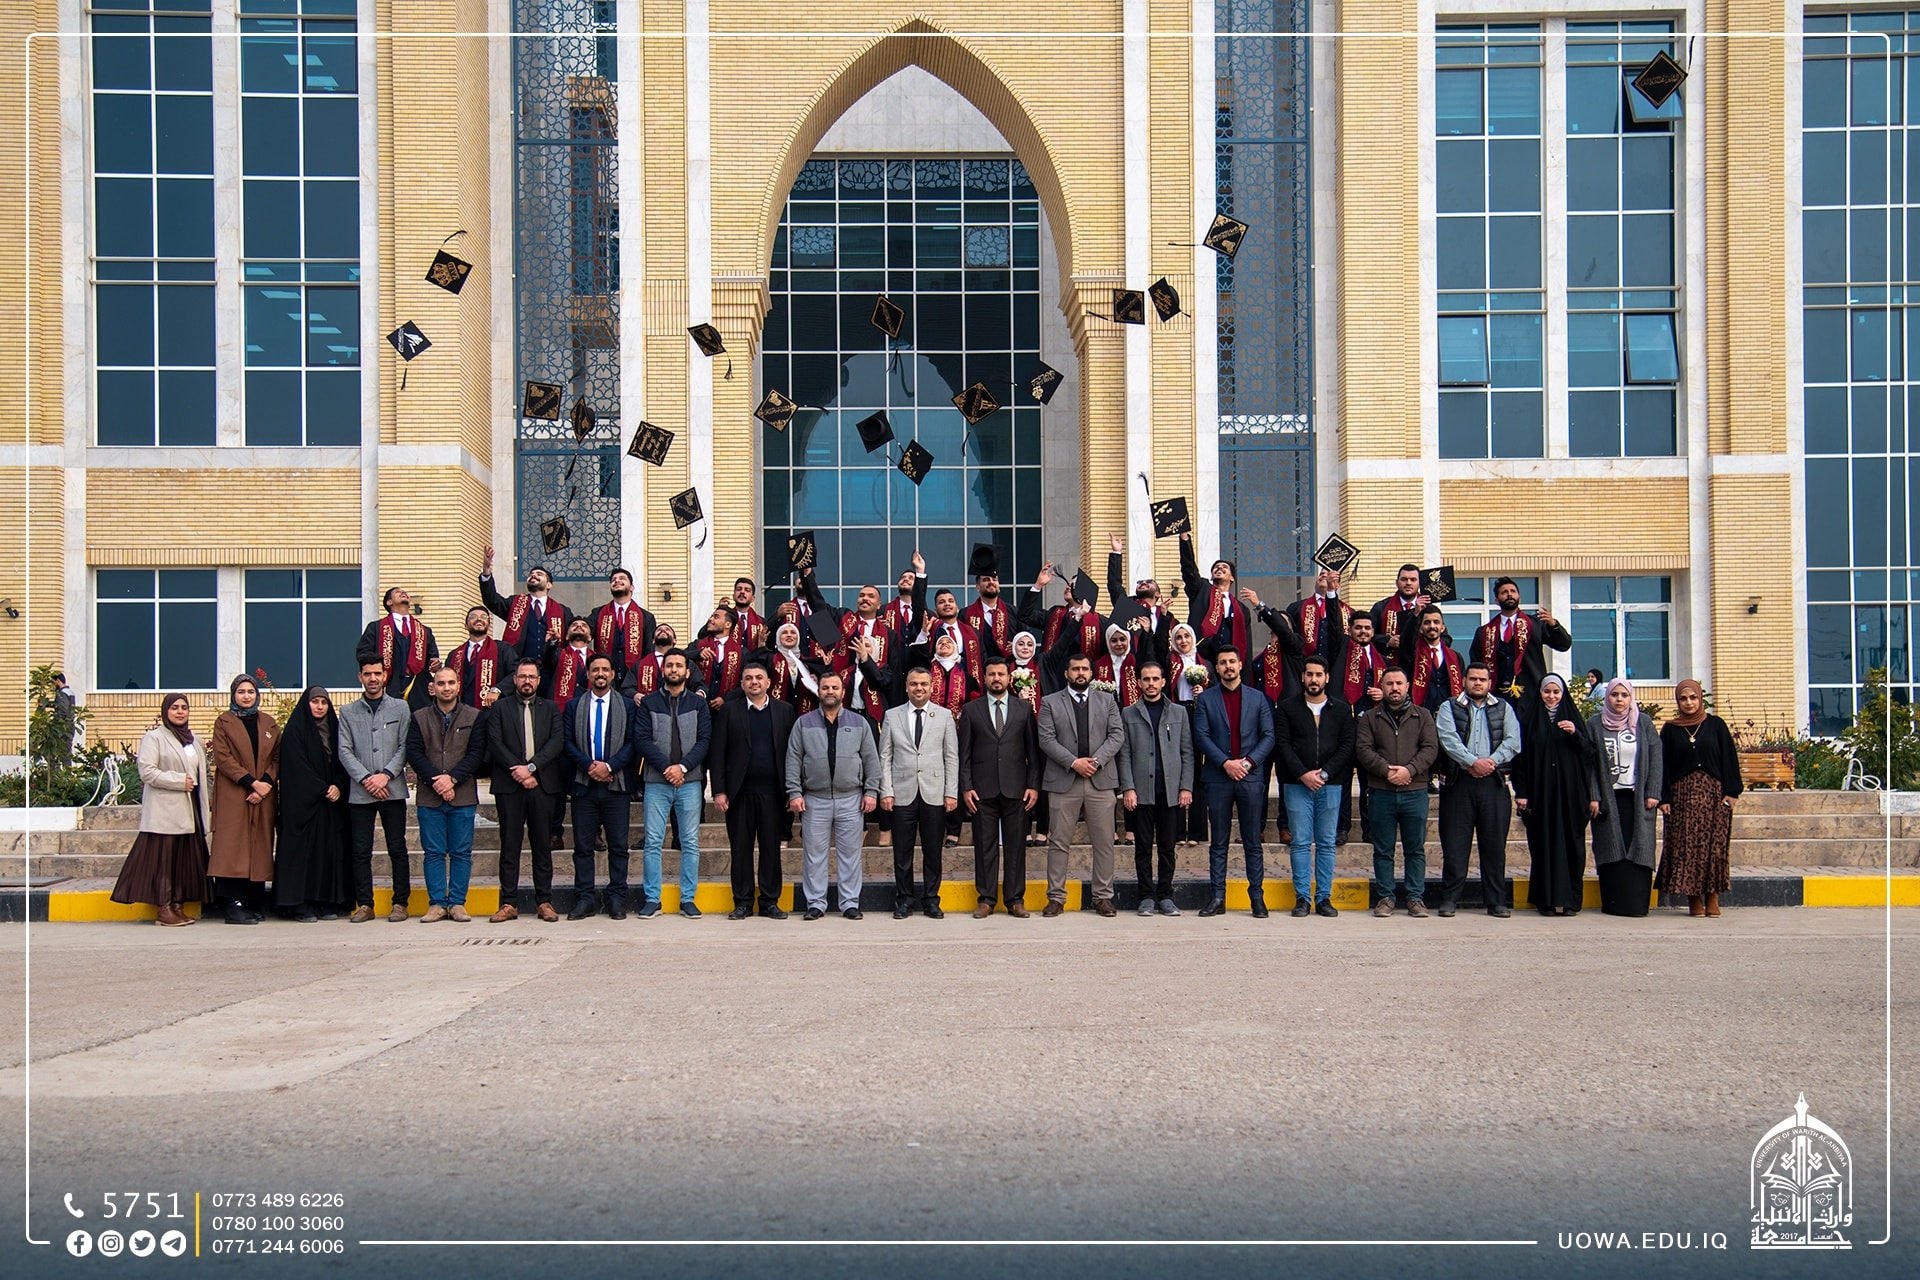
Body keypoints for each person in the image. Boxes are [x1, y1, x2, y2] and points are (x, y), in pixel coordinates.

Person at [786, 671, 882, 921]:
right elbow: (793, 760)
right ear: (818, 691)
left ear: (843, 692)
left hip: (851, 799)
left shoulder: (859, 723)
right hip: (814, 800)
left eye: (835, 687)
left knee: (850, 855)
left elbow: (871, 760)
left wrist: (871, 792)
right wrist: (794, 792)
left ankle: (849, 903)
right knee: (814, 855)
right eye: (825, 687)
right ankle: (815, 903)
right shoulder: (803, 723)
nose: (830, 691)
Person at [1037, 652, 1125, 917]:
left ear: (1091, 673)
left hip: (1100, 780)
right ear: (1066, 673)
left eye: (1084, 669)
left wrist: (1095, 762)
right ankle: (1056, 898)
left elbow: (1117, 735)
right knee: (1059, 842)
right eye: (1075, 669)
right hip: (1064, 781)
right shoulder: (1050, 702)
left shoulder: (1107, 700)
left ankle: (1103, 897)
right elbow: (1046, 739)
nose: (1080, 673)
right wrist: (1074, 763)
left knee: (1104, 843)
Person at [110, 693, 210, 925]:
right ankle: (164, 908)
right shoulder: (154, 738)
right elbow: (147, 771)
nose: (180, 712)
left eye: (184, 707)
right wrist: (178, 781)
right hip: (165, 811)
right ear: (165, 711)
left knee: (182, 861)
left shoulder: (194, 740)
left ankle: (177, 906)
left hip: (190, 809)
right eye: (174, 707)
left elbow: (202, 775)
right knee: (164, 861)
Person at [1191, 645, 1276, 917]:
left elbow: (1268, 737)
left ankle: (1257, 897)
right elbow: (1201, 736)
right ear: (1216, 668)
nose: (1228, 666)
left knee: (1252, 841)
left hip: (1250, 778)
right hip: (1218, 778)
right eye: (1223, 662)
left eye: (1232, 661)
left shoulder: (1258, 698)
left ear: (1240, 665)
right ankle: (1217, 897)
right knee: (1219, 841)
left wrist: (1247, 763)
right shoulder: (1206, 700)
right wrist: (1226, 763)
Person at [1434, 663, 1523, 917]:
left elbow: (1513, 741)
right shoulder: (1449, 707)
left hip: (1493, 783)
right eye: (1473, 678)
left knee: (1494, 846)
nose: (1477, 683)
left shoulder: (1503, 708)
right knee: (1455, 845)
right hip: (1458, 783)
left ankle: (1496, 902)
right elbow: (1448, 739)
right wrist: (1472, 762)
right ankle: (1450, 899)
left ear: (1489, 682)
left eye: (1482, 679)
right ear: (1464, 680)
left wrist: (1489, 763)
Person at [711, 660, 795, 919]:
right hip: (739, 795)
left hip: (774, 794)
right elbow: (718, 753)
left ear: (768, 682)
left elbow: (793, 754)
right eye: (749, 678)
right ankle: (743, 902)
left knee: (771, 850)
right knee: (740, 850)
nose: (754, 682)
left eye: (759, 678)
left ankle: (769, 902)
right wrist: (719, 791)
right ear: (742, 683)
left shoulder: (784, 711)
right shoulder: (730, 711)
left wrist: (793, 791)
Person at [484, 658, 566, 922]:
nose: (527, 681)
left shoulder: (550, 708)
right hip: (510, 786)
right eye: (522, 677)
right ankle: (509, 902)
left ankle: (544, 902)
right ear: (515, 680)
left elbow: (556, 742)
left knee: (542, 845)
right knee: (510, 845)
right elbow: (495, 743)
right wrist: (519, 772)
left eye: (531, 677)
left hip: (542, 784)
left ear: (538, 681)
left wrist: (531, 768)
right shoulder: (500, 708)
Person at [958, 656, 1041, 916]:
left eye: (1001, 674)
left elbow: (1033, 752)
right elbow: (964, 753)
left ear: (1008, 677)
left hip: (1017, 789)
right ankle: (986, 899)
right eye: (992, 674)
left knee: (1016, 847)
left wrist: (1033, 785)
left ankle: (1015, 900)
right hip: (982, 790)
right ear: (984, 678)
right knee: (985, 847)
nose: (996, 679)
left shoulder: (1023, 709)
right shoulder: (971, 710)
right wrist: (966, 787)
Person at [1274, 656, 1356, 918]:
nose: (1313, 679)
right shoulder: (1287, 708)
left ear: (1327, 678)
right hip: (1296, 784)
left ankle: (1323, 898)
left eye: (1318, 675)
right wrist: (1302, 774)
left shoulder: (1341, 709)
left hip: (1330, 785)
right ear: (1303, 677)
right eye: (1309, 674)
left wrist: (1326, 772)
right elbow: (1283, 745)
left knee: (1326, 843)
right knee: (1299, 842)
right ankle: (1302, 898)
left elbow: (1347, 745)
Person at [1512, 674, 1598, 916]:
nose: (1551, 696)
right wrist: (1522, 792)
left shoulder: (1573, 719)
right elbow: (1520, 759)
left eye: (1556, 692)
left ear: (1563, 694)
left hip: (1570, 796)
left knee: (1572, 846)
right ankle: (1546, 901)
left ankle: (1571, 901)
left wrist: (1575, 733)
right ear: (1540, 693)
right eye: (1547, 691)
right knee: (1543, 845)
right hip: (1540, 795)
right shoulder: (1529, 721)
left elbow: (1589, 754)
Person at [1355, 668, 1439, 917]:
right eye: (1389, 683)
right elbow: (1363, 749)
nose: (1394, 688)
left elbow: (1430, 748)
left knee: (1415, 849)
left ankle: (1415, 898)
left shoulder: (1422, 716)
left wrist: (1409, 770)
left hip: (1415, 791)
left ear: (1407, 686)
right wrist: (1387, 770)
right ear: (1382, 687)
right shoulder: (1370, 718)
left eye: (1399, 683)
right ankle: (1385, 898)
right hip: (1381, 792)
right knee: (1383, 849)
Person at [634, 649, 711, 918]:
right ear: (663, 670)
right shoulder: (649, 703)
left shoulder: (699, 704)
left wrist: (683, 767)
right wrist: (667, 768)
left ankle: (688, 899)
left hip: (690, 782)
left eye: (679, 665)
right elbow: (642, 739)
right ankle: (652, 899)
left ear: (687, 672)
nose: (674, 669)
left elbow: (704, 740)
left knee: (690, 841)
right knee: (653, 842)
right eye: (669, 665)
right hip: (657, 781)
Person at [879, 666, 960, 918]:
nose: (919, 688)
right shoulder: (892, 716)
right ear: (906, 687)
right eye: (914, 684)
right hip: (901, 793)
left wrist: (951, 792)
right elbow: (885, 756)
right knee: (902, 852)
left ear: (931, 687)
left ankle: (931, 900)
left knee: (932, 851)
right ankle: (904, 900)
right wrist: (886, 790)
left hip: (934, 793)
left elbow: (951, 757)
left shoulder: (944, 716)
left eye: (924, 684)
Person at [1657, 679, 1741, 918]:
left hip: (1714, 796)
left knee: (1714, 848)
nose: (1689, 703)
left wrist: (1732, 792)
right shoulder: (1670, 730)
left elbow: (1729, 758)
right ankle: (1693, 899)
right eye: (1683, 699)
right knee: (1686, 848)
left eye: (1693, 698)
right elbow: (1663, 765)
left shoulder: (1715, 725)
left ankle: (1713, 897)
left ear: (1700, 698)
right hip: (1682, 797)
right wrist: (1664, 798)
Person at [338, 658, 414, 922]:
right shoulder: (348, 712)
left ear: (385, 676)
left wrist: (385, 776)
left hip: (392, 789)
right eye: (367, 673)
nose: (373, 678)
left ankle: (400, 903)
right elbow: (344, 750)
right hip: (361, 792)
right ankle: (365, 904)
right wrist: (366, 779)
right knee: (361, 850)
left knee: (397, 848)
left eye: (377, 673)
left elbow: (405, 746)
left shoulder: (401, 708)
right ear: (360, 676)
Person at [407, 666, 485, 922]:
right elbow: (414, 753)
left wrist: (451, 779)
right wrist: (437, 781)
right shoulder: (419, 717)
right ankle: (437, 903)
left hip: (462, 796)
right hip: (430, 797)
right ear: (433, 687)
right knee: (434, 852)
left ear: (458, 685)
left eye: (451, 682)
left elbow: (476, 753)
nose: (446, 687)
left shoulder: (474, 716)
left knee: (461, 852)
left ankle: (458, 903)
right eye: (441, 683)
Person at [563, 654, 636, 919]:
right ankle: (584, 899)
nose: (600, 674)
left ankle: (616, 898)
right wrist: (589, 766)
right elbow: (567, 742)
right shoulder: (574, 706)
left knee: (618, 846)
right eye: (595, 670)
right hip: (584, 785)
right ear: (588, 674)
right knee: (583, 847)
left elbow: (633, 742)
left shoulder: (627, 706)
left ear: (613, 674)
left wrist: (610, 767)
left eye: (605, 669)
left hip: (616, 786)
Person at [1119, 661, 1193, 917]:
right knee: (1142, 848)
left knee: (1167, 847)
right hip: (1141, 792)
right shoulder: (1128, 713)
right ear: (1139, 682)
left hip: (1170, 792)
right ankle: (1146, 897)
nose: (1151, 684)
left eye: (1155, 679)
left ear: (1163, 682)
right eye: (1146, 679)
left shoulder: (1178, 713)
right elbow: (1124, 754)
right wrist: (1128, 788)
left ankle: (1166, 896)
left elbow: (1187, 752)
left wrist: (1185, 787)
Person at [273, 686, 352, 921]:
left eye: (324, 702)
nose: (319, 706)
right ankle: (300, 905)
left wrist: (338, 784)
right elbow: (297, 767)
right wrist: (322, 788)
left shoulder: (335, 730)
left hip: (330, 805)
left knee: (326, 853)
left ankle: (323, 902)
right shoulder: (295, 731)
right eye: (315, 702)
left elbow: (344, 760)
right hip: (303, 805)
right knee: (301, 854)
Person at [1585, 677, 1662, 917]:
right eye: (1614, 695)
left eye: (1624, 695)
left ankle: (1636, 905)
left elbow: (1656, 758)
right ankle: (1614, 904)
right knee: (1610, 847)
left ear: (1631, 698)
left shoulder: (1643, 723)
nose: (1619, 700)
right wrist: (1594, 796)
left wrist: (1653, 792)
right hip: (1609, 800)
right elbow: (1590, 764)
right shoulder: (1595, 724)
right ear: (1607, 697)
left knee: (1639, 846)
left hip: (1638, 799)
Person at [206, 673, 279, 924]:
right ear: (233, 695)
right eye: (241, 692)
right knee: (232, 847)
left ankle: (252, 901)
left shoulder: (269, 723)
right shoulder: (224, 722)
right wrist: (251, 783)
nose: (246, 696)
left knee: (258, 846)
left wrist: (265, 784)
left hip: (263, 795)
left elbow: (277, 758)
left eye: (250, 692)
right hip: (235, 793)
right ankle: (233, 904)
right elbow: (223, 758)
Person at [1471, 577, 1571, 706]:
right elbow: (1476, 662)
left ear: (1519, 598)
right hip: (1496, 696)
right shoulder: (1484, 632)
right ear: (1496, 601)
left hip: (1531, 693)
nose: (1509, 594)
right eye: (1504, 592)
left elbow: (1564, 645)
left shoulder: (1535, 624)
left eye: (1513, 591)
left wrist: (1554, 625)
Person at [479, 544, 573, 681]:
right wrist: (486, 571)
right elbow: (492, 601)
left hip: (550, 671)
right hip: (519, 669)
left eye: (539, 574)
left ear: (549, 584)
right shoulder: (515, 603)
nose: (533, 576)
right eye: (531, 575)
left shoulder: (562, 611)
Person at [356, 587, 441, 709]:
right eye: (397, 592)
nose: (403, 593)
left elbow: (433, 658)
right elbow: (363, 654)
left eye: (405, 592)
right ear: (389, 602)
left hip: (418, 691)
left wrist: (436, 665)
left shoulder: (424, 631)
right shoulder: (376, 628)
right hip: (389, 687)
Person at [1177, 532, 1249, 660]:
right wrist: (1184, 540)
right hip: (1201, 657)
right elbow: (1189, 569)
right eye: (1216, 567)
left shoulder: (1241, 609)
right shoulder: (1201, 589)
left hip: (1228, 661)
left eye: (1224, 567)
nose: (1219, 568)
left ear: (1232, 578)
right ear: (1211, 576)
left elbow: (1245, 642)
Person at [592, 567, 660, 693]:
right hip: (605, 676)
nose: (617, 581)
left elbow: (649, 650)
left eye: (622, 578)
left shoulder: (646, 617)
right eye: (613, 580)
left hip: (633, 678)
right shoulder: (598, 613)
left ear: (632, 587)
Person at [1106, 533, 1172, 655]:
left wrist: (1164, 616)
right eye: (1140, 582)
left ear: (1157, 594)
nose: (1143, 583)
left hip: (1155, 663)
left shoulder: (1167, 616)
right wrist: (1116, 553)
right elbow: (1114, 585)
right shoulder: (1128, 606)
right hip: (1131, 660)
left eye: (1149, 582)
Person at [1395, 603, 1467, 715]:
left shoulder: (1455, 657)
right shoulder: (1413, 654)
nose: (1432, 626)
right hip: (1419, 714)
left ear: (1442, 628)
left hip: (1449, 715)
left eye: (1436, 622)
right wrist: (1415, 615)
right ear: (1420, 628)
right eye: (1427, 622)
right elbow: (1406, 641)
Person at [446, 605, 516, 710]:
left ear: (489, 625)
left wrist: (497, 690)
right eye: (473, 617)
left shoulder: (502, 649)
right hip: (461, 712)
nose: (479, 619)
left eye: (484, 617)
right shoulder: (454, 655)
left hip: (492, 711)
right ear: (465, 625)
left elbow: (516, 673)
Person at [1285, 568, 1354, 670]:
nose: (1324, 575)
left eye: (1329, 574)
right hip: (1304, 667)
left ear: (1338, 585)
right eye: (1321, 573)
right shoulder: (1296, 608)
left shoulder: (1349, 612)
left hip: (1335, 668)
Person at [694, 605, 748, 709]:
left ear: (728, 624)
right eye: (711, 616)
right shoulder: (698, 645)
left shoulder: (741, 652)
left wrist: (725, 699)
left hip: (728, 709)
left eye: (716, 617)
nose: (710, 619)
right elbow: (679, 657)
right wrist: (697, 654)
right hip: (700, 706)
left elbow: (745, 682)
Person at [1370, 564, 1431, 651]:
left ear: (1420, 583)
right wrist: (1387, 641)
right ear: (1397, 583)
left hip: (1420, 657)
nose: (1408, 583)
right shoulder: (1381, 607)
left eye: (1413, 580)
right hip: (1389, 657)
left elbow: (1444, 638)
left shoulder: (1429, 609)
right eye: (1404, 579)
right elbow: (1368, 635)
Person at [730, 576, 771, 650]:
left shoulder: (761, 623)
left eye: (747, 590)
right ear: (733, 596)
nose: (742, 592)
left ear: (753, 598)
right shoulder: (725, 619)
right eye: (739, 589)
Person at [49, 671, 78, 766]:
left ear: (58, 681)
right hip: (70, 726)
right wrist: (47, 704)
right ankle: (67, 773)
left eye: (54, 682)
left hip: (62, 727)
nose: (53, 685)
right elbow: (65, 706)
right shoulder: (70, 692)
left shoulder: (62, 693)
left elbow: (62, 709)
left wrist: (55, 725)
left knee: (57, 752)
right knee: (66, 752)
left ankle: (59, 773)